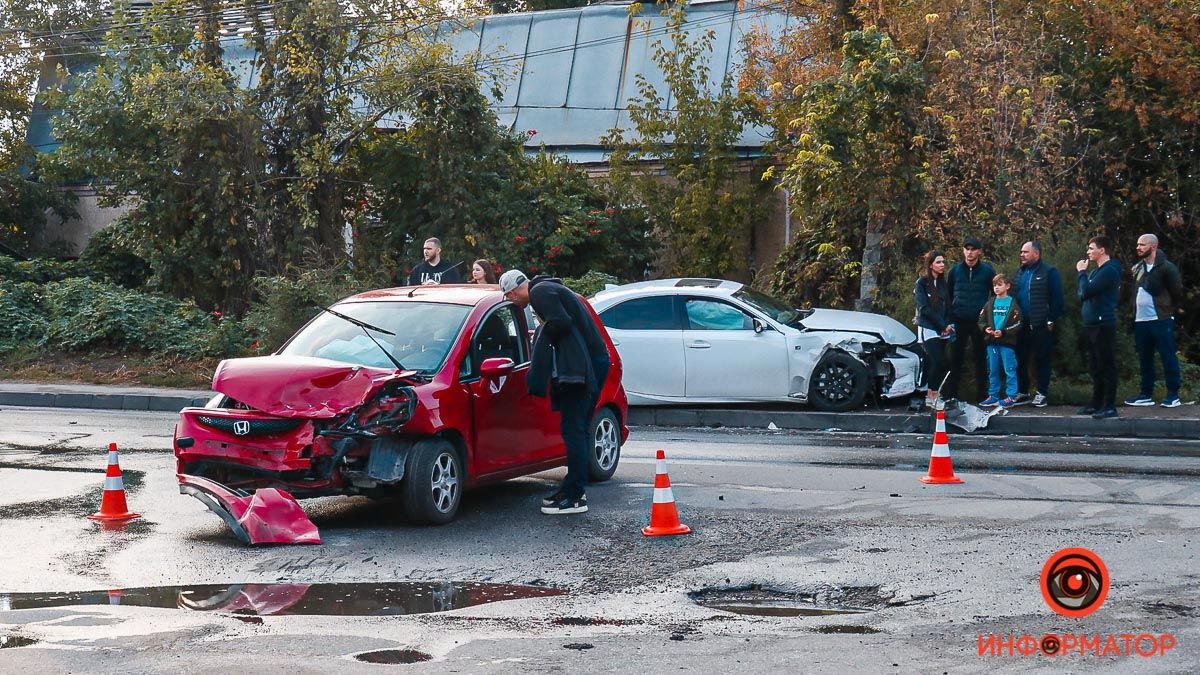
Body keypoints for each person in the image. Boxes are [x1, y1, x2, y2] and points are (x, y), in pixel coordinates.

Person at [500, 269, 611, 515]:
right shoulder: (548, 288)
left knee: (574, 429)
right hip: (593, 360)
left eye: (509, 297)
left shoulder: (539, 292)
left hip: (585, 366)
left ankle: (575, 496)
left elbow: (561, 322)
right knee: (576, 428)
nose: (512, 302)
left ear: (514, 290)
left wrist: (541, 337)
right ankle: (572, 487)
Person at [1125, 234, 1184, 408]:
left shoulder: (1167, 268)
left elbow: (1177, 293)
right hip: (1141, 320)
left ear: (1153, 246)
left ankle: (1173, 395)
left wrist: (1167, 309)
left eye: (1142, 245)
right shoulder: (1137, 268)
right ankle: (1146, 394)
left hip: (1161, 319)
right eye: (1137, 244)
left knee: (1167, 356)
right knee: (1145, 359)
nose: (1138, 247)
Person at [1012, 240, 1064, 407]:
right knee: (1020, 359)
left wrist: (1051, 319)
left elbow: (1057, 299)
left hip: (1041, 324)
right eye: (1021, 252)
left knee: (1042, 359)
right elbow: (1013, 296)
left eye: (1025, 252)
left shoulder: (1049, 272)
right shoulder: (1019, 273)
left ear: (1036, 254)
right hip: (1021, 325)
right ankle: (1023, 392)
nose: (1022, 255)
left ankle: (1042, 393)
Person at [1076, 235, 1122, 419]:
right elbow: (1081, 293)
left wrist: (1081, 272)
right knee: (1095, 365)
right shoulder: (1096, 271)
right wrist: (1084, 278)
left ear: (1102, 250)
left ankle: (1109, 405)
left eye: (1091, 248)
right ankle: (1096, 402)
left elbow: (1085, 291)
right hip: (1091, 323)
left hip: (1103, 323)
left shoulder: (1109, 270)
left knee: (1106, 364)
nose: (1088, 252)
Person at [945, 236, 995, 402]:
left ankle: (982, 395)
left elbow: (994, 294)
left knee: (980, 358)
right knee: (956, 358)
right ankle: (952, 395)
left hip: (979, 321)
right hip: (959, 320)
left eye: (973, 249)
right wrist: (950, 317)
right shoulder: (955, 270)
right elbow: (949, 294)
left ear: (979, 251)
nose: (970, 253)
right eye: (967, 249)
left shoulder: (988, 271)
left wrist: (988, 317)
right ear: (963, 250)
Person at [914, 250, 955, 408]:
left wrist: (948, 325)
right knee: (936, 360)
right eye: (938, 262)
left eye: (943, 262)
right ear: (931, 264)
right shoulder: (922, 283)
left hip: (943, 329)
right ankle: (931, 395)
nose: (942, 265)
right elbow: (924, 308)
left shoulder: (943, 285)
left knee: (941, 362)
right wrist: (941, 325)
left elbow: (948, 307)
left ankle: (935, 393)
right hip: (929, 328)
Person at [977, 274, 1023, 407]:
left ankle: (1011, 396)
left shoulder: (1013, 304)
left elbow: (1018, 323)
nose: (996, 288)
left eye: (1000, 285)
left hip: (1007, 342)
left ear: (1007, 286)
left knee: (1010, 368)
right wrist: (986, 329)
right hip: (991, 342)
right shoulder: (990, 303)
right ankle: (993, 395)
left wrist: (1004, 332)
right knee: (993, 369)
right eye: (995, 285)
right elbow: (981, 320)